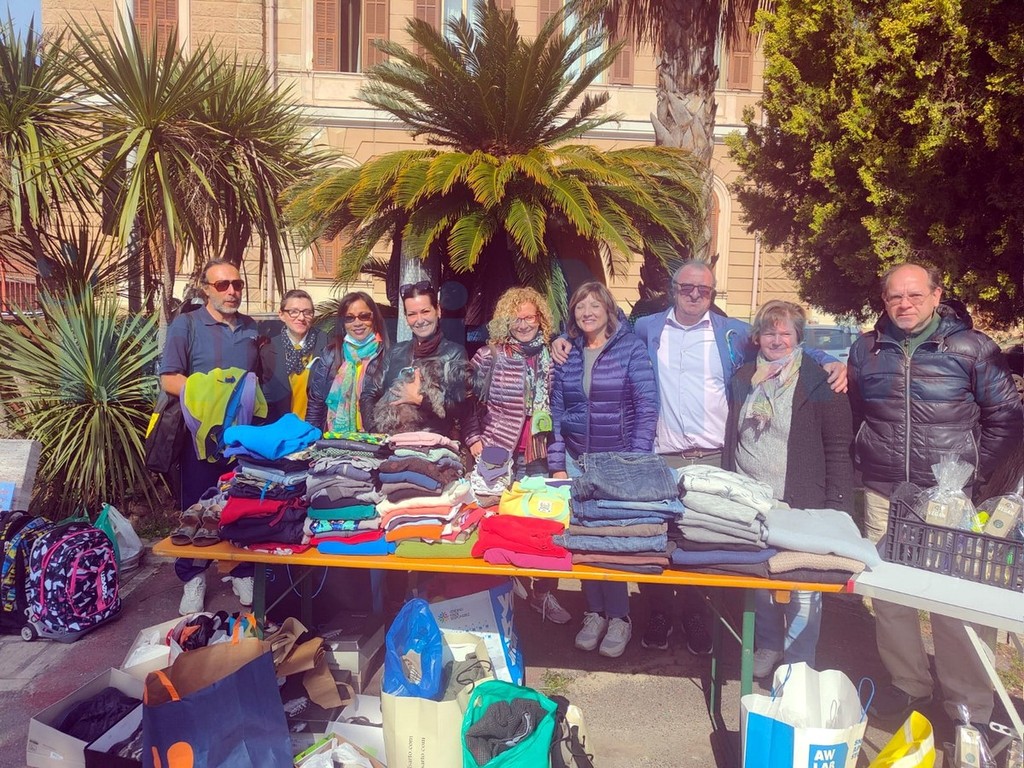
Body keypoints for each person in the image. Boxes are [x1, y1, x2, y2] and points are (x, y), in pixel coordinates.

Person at [556, 260, 847, 655]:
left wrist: (825, 358)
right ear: (673, 289)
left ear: (712, 294)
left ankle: (696, 615)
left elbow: (778, 337)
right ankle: (659, 612)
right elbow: (602, 329)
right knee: (656, 540)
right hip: (664, 456)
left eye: (704, 290)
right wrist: (564, 338)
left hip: (713, 458)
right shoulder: (648, 328)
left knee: (703, 543)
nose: (695, 295)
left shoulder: (731, 332)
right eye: (687, 287)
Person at [848, 262, 1023, 726]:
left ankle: (969, 705)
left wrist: (976, 479)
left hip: (955, 498)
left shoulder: (973, 347)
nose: (904, 304)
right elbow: (858, 410)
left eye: (915, 295)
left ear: (936, 295)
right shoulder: (866, 349)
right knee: (891, 595)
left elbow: (1006, 417)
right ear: (884, 301)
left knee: (959, 600)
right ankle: (908, 684)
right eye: (895, 296)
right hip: (886, 492)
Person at [723, 300, 854, 677]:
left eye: (786, 332)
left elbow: (838, 448)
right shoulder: (744, 377)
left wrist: (837, 506)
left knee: (803, 585)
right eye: (769, 332)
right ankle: (768, 645)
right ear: (757, 337)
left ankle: (799, 660)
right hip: (751, 499)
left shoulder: (819, 379)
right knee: (760, 576)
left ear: (798, 337)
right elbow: (733, 436)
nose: (777, 340)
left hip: (802, 499)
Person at [550, 281, 659, 658]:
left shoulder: (630, 348)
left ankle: (619, 617)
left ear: (609, 310)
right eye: (580, 306)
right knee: (583, 539)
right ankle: (594, 613)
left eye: (595, 305)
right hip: (576, 459)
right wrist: (557, 463)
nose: (587, 313)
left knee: (611, 541)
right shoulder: (569, 352)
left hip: (616, 460)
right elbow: (558, 411)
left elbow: (646, 407)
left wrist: (636, 459)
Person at [463, 287, 572, 624]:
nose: (523, 324)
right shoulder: (490, 355)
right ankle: (501, 594)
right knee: (497, 522)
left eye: (529, 317)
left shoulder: (552, 357)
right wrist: (473, 439)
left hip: (539, 454)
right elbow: (466, 400)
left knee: (543, 525)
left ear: (541, 319)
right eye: (516, 318)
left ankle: (542, 593)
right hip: (496, 452)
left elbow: (560, 406)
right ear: (505, 321)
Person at [159, 259, 259, 615]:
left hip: (243, 438)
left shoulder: (251, 328)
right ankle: (193, 577)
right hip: (198, 438)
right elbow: (169, 378)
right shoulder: (186, 325)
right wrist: (215, 396)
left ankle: (242, 571)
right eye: (222, 285)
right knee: (197, 508)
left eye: (237, 284)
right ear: (205, 289)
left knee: (242, 501)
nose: (232, 291)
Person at [360, 281, 468, 436]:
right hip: (390, 439)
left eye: (425, 311)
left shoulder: (454, 354)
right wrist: (374, 430)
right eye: (412, 314)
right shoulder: (395, 352)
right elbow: (368, 394)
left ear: (438, 311)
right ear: (406, 318)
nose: (420, 320)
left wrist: (420, 400)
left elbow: (460, 406)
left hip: (431, 440)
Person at [306, 291, 389, 432]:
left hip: (374, 437)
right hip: (334, 438)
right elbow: (316, 403)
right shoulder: (330, 354)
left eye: (364, 316)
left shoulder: (389, 354)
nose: (357, 323)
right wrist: (311, 437)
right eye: (349, 318)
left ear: (374, 318)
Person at [259, 289, 328, 423]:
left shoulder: (327, 345)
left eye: (307, 312)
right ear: (281, 315)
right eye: (294, 312)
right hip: (280, 427)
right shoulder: (268, 350)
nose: (301, 318)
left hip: (317, 427)